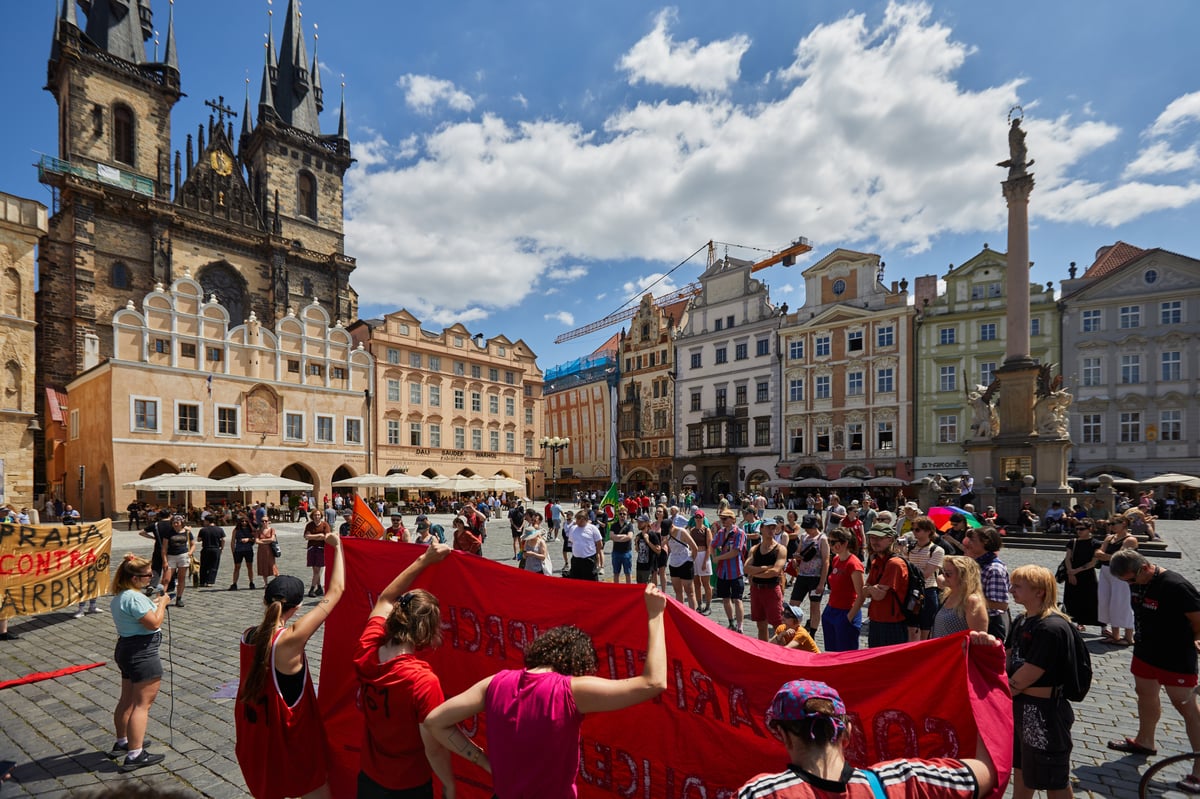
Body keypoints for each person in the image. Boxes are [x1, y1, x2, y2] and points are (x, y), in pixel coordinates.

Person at [425, 584, 668, 797]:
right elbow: (654, 683)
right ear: (579, 664)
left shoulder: (494, 683)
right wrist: (655, 616)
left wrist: (482, 760)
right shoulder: (571, 690)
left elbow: (435, 722)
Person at [738, 672, 997, 798]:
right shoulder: (906, 780)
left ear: (783, 735)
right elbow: (987, 771)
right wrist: (984, 671)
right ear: (847, 731)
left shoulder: (760, 794)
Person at [235, 534, 344, 799]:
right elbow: (336, 591)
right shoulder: (290, 639)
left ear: (265, 601)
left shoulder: (248, 635)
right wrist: (339, 547)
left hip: (258, 735)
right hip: (292, 736)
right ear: (297, 607)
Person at [354, 543, 455, 798]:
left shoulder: (367, 648)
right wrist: (449, 784)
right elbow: (434, 747)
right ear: (426, 631)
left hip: (370, 777)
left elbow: (385, 599)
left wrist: (425, 559)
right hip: (408, 784)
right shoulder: (422, 681)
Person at [1106, 549, 1200, 793]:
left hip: (1176, 656)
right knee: (1145, 695)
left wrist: (1190, 640)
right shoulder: (1137, 581)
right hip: (1145, 651)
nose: (1129, 585)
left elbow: (1198, 620)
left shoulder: (1176, 586)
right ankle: (1145, 741)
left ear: (1144, 567)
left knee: (1186, 706)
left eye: (1130, 580)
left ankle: (1199, 767)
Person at [1004, 564, 1077, 799]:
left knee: (1053, 777)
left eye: (1017, 586)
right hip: (1022, 706)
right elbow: (1008, 654)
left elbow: (1029, 673)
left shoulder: (1051, 627)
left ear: (1039, 592)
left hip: (1043, 712)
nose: (1011, 590)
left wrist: (1000, 693)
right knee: (1022, 767)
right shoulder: (1022, 619)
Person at [108, 553, 170, 770]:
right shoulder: (134, 598)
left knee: (126, 699)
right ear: (134, 578)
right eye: (147, 576)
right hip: (142, 653)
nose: (151, 578)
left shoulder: (122, 596)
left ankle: (123, 741)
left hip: (126, 649)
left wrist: (154, 602)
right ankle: (135, 754)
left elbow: (140, 612)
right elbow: (154, 623)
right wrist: (163, 603)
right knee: (142, 704)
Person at [861, 524, 908, 648]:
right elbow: (864, 592)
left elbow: (878, 595)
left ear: (891, 540)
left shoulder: (894, 563)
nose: (874, 541)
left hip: (892, 623)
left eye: (880, 538)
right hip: (876, 619)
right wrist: (872, 589)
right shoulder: (876, 561)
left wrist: (870, 589)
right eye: (872, 538)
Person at [1095, 516, 1138, 645]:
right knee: (1106, 601)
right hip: (1106, 571)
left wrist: (1105, 556)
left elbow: (1120, 557)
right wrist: (1107, 556)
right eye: (1109, 524)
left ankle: (1129, 637)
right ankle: (1115, 635)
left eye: (1113, 523)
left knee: (1121, 602)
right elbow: (1098, 553)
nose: (1111, 526)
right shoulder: (1109, 538)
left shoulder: (1130, 539)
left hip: (1121, 572)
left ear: (1123, 523)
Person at [822, 527, 865, 652]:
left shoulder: (854, 564)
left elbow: (861, 595)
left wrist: (848, 618)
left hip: (846, 611)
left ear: (845, 543)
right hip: (831, 610)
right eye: (829, 542)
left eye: (833, 542)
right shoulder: (836, 559)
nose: (831, 545)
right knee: (832, 653)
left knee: (846, 654)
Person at [962, 527, 1009, 640]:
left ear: (985, 542)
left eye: (973, 540)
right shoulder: (976, 564)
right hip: (971, 618)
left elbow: (1001, 604)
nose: (969, 543)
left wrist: (970, 600)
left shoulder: (994, 569)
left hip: (989, 623)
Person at [746, 517, 787, 639]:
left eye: (773, 527)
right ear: (761, 529)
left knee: (778, 626)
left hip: (772, 589)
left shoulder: (780, 549)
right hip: (756, 590)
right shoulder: (755, 549)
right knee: (761, 625)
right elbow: (746, 568)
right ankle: (763, 648)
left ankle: (782, 650)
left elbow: (775, 571)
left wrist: (755, 573)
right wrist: (764, 568)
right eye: (768, 527)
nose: (771, 530)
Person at [905, 517, 944, 642]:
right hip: (911, 591)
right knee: (911, 628)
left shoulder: (937, 550)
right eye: (913, 529)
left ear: (928, 531)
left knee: (926, 629)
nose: (914, 532)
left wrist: (909, 569)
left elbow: (925, 574)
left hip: (928, 591)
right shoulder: (910, 548)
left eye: (917, 529)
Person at [790, 515, 829, 638]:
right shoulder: (803, 536)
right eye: (805, 527)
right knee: (793, 604)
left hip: (816, 577)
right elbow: (798, 551)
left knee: (814, 606)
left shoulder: (822, 538)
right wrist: (796, 559)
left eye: (809, 528)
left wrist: (822, 583)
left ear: (815, 526)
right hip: (802, 575)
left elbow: (826, 561)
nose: (807, 530)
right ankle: (792, 629)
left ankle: (812, 633)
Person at [931, 556, 989, 638]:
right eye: (943, 572)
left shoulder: (972, 601)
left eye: (948, 574)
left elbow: (978, 637)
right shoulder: (948, 595)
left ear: (963, 576)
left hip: (958, 646)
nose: (944, 576)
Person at [713, 507, 748, 633]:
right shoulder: (721, 532)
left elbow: (735, 552)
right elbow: (712, 545)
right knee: (725, 598)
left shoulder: (739, 533)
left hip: (736, 571)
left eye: (725, 518)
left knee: (737, 599)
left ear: (733, 519)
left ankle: (740, 626)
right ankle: (731, 622)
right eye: (721, 518)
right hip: (722, 572)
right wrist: (713, 556)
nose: (722, 521)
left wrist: (718, 558)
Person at [1061, 520, 1100, 632]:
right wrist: (1070, 572)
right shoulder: (1072, 542)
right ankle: (1077, 622)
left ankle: (1099, 624)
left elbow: (1093, 562)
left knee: (1089, 598)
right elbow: (1068, 558)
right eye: (1077, 529)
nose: (1079, 531)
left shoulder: (1095, 543)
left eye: (1082, 529)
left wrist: (1076, 571)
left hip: (1087, 574)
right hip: (1072, 573)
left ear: (1090, 529)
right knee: (1072, 598)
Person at [664, 515, 699, 609]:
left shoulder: (682, 532)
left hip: (685, 562)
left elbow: (694, 548)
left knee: (690, 592)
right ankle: (681, 612)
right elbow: (666, 546)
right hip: (673, 563)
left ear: (672, 526)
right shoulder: (667, 534)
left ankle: (692, 614)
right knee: (678, 591)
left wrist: (691, 560)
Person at [159, 515, 194, 608]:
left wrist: (190, 552)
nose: (175, 524)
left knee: (181, 578)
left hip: (183, 556)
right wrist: (164, 561)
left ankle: (179, 598)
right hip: (171, 556)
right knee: (166, 579)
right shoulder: (168, 532)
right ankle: (160, 599)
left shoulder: (187, 532)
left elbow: (193, 544)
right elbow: (164, 548)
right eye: (173, 523)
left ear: (181, 523)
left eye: (177, 523)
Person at [566, 509, 604, 580]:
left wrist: (595, 554)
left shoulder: (593, 528)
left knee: (590, 580)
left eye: (580, 519)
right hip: (576, 560)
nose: (577, 521)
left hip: (589, 559)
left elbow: (599, 543)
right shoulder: (573, 529)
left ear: (585, 520)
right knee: (575, 580)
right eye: (577, 519)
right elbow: (572, 541)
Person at [303, 509, 331, 597]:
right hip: (311, 549)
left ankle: (312, 589)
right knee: (315, 570)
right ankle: (319, 588)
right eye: (315, 515)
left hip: (320, 549)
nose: (317, 516)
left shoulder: (325, 525)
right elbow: (306, 536)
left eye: (318, 515)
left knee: (317, 570)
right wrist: (319, 535)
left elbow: (326, 537)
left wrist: (313, 536)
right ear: (312, 516)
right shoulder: (309, 525)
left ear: (321, 516)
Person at [690, 510, 713, 613]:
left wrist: (705, 561)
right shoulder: (692, 530)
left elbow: (709, 547)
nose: (698, 519)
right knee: (696, 583)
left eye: (700, 517)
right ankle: (699, 604)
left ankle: (708, 605)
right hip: (695, 556)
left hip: (704, 555)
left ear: (703, 518)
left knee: (706, 583)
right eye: (697, 517)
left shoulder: (706, 530)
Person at [230, 514, 257, 590]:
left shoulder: (251, 529)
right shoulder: (236, 530)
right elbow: (232, 541)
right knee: (237, 567)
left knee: (249, 566)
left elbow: (255, 539)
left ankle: (251, 582)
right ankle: (234, 583)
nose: (244, 522)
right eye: (242, 521)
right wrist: (233, 551)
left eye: (246, 521)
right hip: (238, 550)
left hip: (248, 550)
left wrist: (248, 539)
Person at [197, 517, 225, 587]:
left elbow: (199, 539)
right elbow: (223, 539)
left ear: (207, 521)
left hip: (206, 549)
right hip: (216, 549)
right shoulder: (219, 529)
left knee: (204, 566)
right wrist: (222, 548)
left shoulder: (203, 530)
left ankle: (202, 581)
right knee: (214, 565)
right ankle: (210, 581)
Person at [634, 513, 662, 585]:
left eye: (641, 522)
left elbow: (658, 550)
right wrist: (636, 543)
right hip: (640, 565)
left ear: (646, 523)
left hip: (649, 567)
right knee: (640, 587)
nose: (639, 524)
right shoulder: (639, 535)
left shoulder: (652, 534)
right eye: (638, 522)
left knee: (647, 587)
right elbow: (638, 550)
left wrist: (648, 541)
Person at [609, 508, 635, 584]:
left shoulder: (629, 525)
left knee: (628, 573)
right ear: (618, 515)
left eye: (624, 514)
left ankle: (628, 588)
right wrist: (624, 536)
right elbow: (611, 537)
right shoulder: (614, 525)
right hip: (616, 552)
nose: (622, 515)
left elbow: (629, 537)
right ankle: (616, 589)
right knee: (616, 573)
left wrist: (617, 538)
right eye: (620, 514)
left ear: (627, 515)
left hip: (626, 552)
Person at [256, 520, 279, 585]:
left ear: (269, 522)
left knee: (272, 565)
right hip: (261, 551)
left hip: (270, 550)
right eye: (262, 521)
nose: (264, 522)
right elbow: (257, 541)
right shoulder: (258, 531)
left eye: (266, 521)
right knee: (263, 565)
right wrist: (267, 542)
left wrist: (262, 540)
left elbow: (272, 539)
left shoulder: (272, 530)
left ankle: (278, 581)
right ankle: (266, 583)